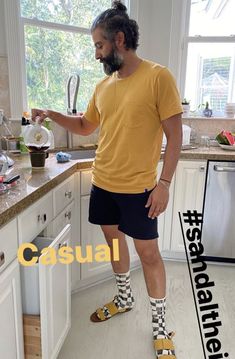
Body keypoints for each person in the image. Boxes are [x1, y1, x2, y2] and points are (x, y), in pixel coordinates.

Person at [32, 1, 182, 358]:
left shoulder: (158, 77)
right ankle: (124, 298)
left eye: (99, 46)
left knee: (148, 254)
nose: (97, 54)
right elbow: (86, 126)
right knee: (114, 244)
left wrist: (164, 184)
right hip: (104, 184)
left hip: (140, 189)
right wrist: (51, 113)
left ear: (119, 39)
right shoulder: (103, 87)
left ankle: (160, 327)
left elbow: (174, 137)